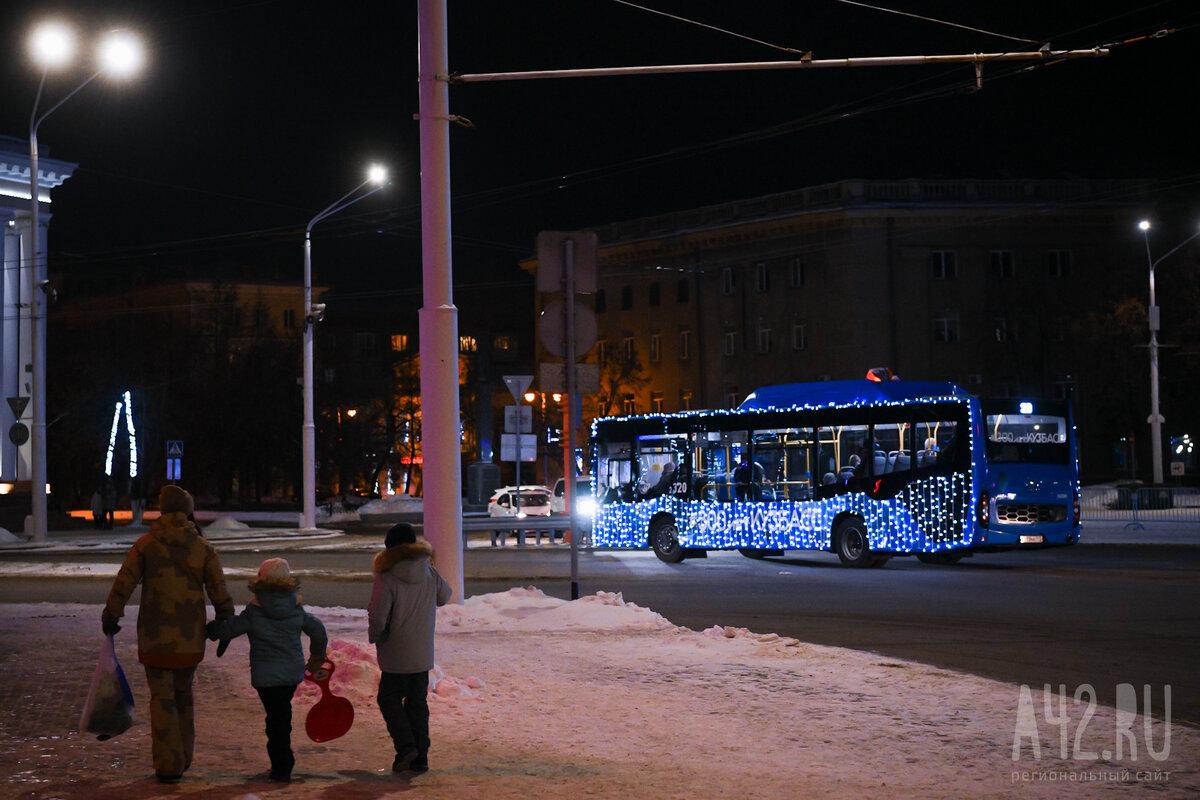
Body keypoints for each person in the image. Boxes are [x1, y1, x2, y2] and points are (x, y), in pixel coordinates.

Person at [101, 485, 234, 783]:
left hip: (155, 637)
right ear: (187, 510)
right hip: (189, 638)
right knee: (184, 695)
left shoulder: (147, 544)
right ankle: (184, 755)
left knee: (162, 700)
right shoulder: (202, 547)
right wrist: (226, 620)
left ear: (162, 510)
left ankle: (168, 763)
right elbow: (218, 589)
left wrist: (112, 613)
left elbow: (124, 581)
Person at [206, 558, 328, 782]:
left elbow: (227, 631)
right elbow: (318, 630)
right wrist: (317, 655)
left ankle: (282, 765)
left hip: (266, 677)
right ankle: (282, 762)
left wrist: (211, 629)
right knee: (280, 716)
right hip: (291, 675)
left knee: (276, 719)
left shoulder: (254, 612)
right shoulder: (295, 609)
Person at [368, 523, 452, 774]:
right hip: (421, 652)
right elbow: (444, 596)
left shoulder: (387, 575)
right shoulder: (428, 570)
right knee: (417, 703)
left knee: (388, 698)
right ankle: (421, 757)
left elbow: (379, 616)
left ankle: (405, 747)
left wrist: (376, 636)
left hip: (395, 652)